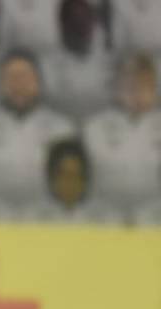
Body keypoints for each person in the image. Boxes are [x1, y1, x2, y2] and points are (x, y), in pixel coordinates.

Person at [0, 49, 75, 205]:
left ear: (39, 82)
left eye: (25, 77)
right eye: (11, 77)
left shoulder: (62, 129)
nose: (18, 84)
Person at [84, 54, 161, 210]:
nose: (137, 92)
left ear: (155, 88)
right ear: (117, 89)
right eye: (130, 85)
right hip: (106, 211)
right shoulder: (94, 127)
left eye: (144, 84)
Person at [41, 0, 113, 119]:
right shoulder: (47, 66)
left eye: (86, 21)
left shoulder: (107, 64)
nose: (82, 28)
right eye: (76, 22)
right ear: (62, 25)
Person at [27, 137, 122, 224]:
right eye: (65, 176)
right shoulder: (33, 218)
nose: (71, 184)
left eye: (76, 176)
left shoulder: (105, 219)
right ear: (52, 177)